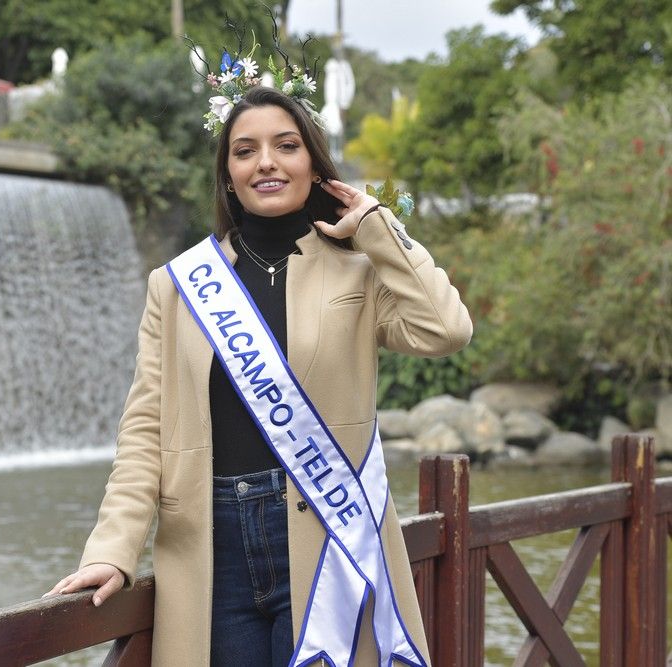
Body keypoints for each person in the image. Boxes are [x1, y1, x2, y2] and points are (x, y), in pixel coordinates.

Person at [45, 85, 472, 666]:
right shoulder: (178, 286)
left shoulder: (360, 274)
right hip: (208, 546)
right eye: (245, 150)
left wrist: (375, 225)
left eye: (286, 146)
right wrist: (112, 550)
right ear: (227, 174)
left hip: (326, 536)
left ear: (314, 166)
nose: (265, 162)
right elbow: (146, 428)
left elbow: (445, 329)